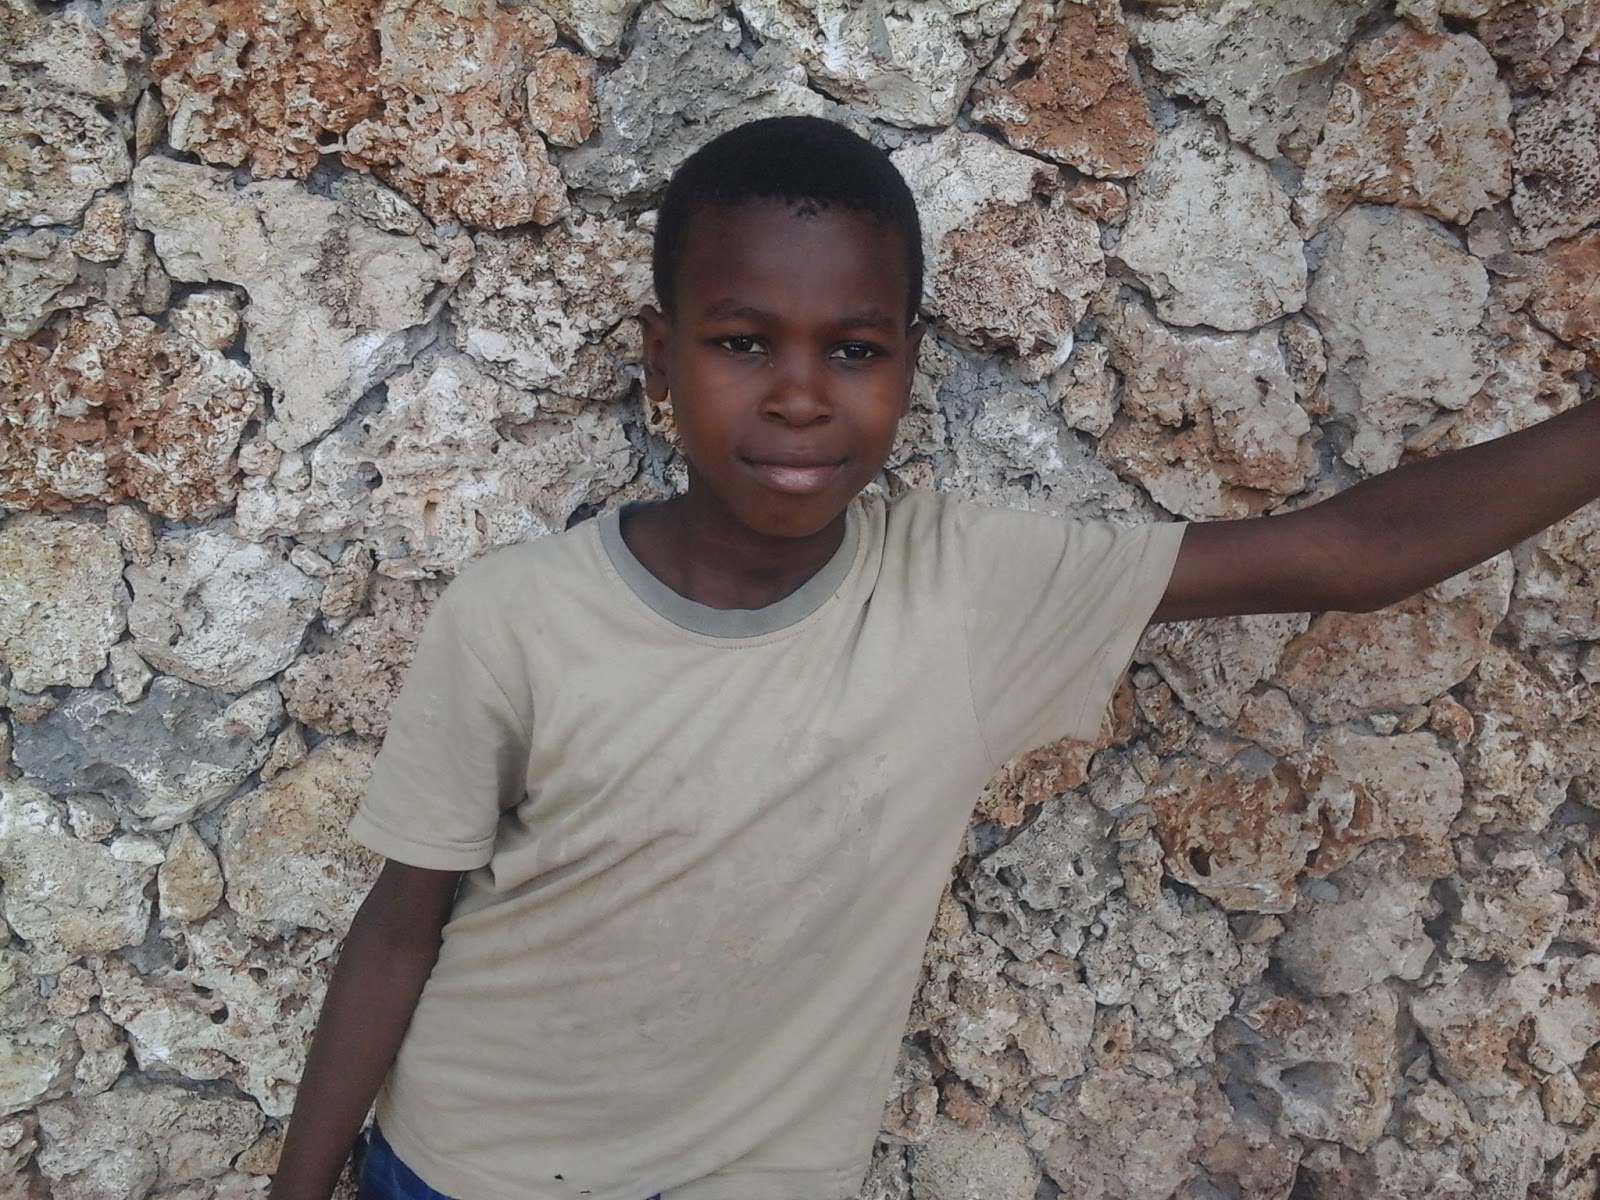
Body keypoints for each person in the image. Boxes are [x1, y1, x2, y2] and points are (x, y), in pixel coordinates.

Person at [269, 115, 1600, 1200]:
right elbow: (399, 931)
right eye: (742, 343)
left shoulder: (967, 593)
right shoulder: (517, 617)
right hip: (470, 1170)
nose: (801, 395)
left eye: (854, 350)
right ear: (661, 361)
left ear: (909, 368)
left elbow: (1348, 555)